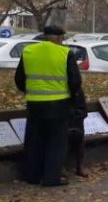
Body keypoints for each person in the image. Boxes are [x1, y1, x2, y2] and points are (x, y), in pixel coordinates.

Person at [14, 24, 82, 187]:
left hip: (34, 105)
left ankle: (33, 176)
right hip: (59, 105)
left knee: (34, 141)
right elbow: (75, 81)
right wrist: (73, 97)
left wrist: (30, 91)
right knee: (56, 143)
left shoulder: (29, 51)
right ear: (59, 38)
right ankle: (52, 178)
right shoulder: (65, 53)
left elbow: (19, 79)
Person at [67, 86, 89, 178]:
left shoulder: (79, 92)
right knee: (63, 137)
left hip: (76, 123)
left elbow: (84, 111)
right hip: (63, 124)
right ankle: (59, 167)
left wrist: (76, 116)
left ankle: (79, 166)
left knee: (79, 135)